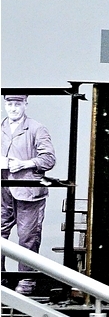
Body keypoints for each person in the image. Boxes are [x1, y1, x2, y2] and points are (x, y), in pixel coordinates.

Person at [2, 95, 56, 296]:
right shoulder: (1, 127)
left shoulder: (36, 128)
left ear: (25, 104)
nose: (13, 108)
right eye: (9, 104)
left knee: (28, 237)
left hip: (28, 192)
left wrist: (25, 164)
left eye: (17, 104)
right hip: (3, 191)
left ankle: (26, 280)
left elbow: (49, 159)